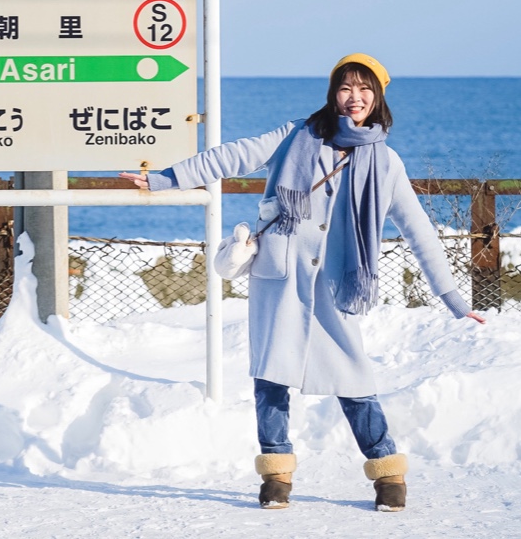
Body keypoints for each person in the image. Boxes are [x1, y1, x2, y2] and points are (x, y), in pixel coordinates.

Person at [122, 54, 481, 513]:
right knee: (271, 377)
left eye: (365, 89)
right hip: (280, 274)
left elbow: (420, 231)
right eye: (346, 88)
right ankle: (276, 475)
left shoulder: (386, 163)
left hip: (338, 285)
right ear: (333, 93)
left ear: (379, 97)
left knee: (354, 379)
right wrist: (166, 178)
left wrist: (452, 297)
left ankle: (388, 473)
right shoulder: (298, 135)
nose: (355, 98)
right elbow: (234, 155)